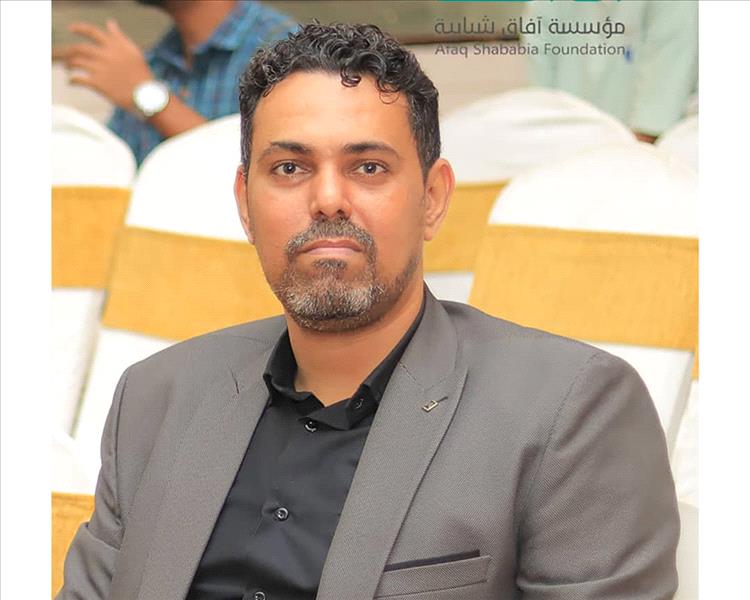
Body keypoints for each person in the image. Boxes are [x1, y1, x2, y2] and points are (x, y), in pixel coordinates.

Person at [58, 23, 679, 599]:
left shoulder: (568, 412)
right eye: (290, 167)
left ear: (432, 199)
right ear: (245, 205)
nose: (328, 199)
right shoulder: (157, 397)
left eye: (368, 167)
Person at [60, 0, 296, 165]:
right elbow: (117, 170)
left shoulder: (285, 49)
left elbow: (265, 172)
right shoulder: (156, 60)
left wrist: (145, 94)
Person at [523, 0, 698, 142]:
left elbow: (652, 125)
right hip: (569, 154)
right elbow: (543, 107)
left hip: (645, 158)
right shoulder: (545, 7)